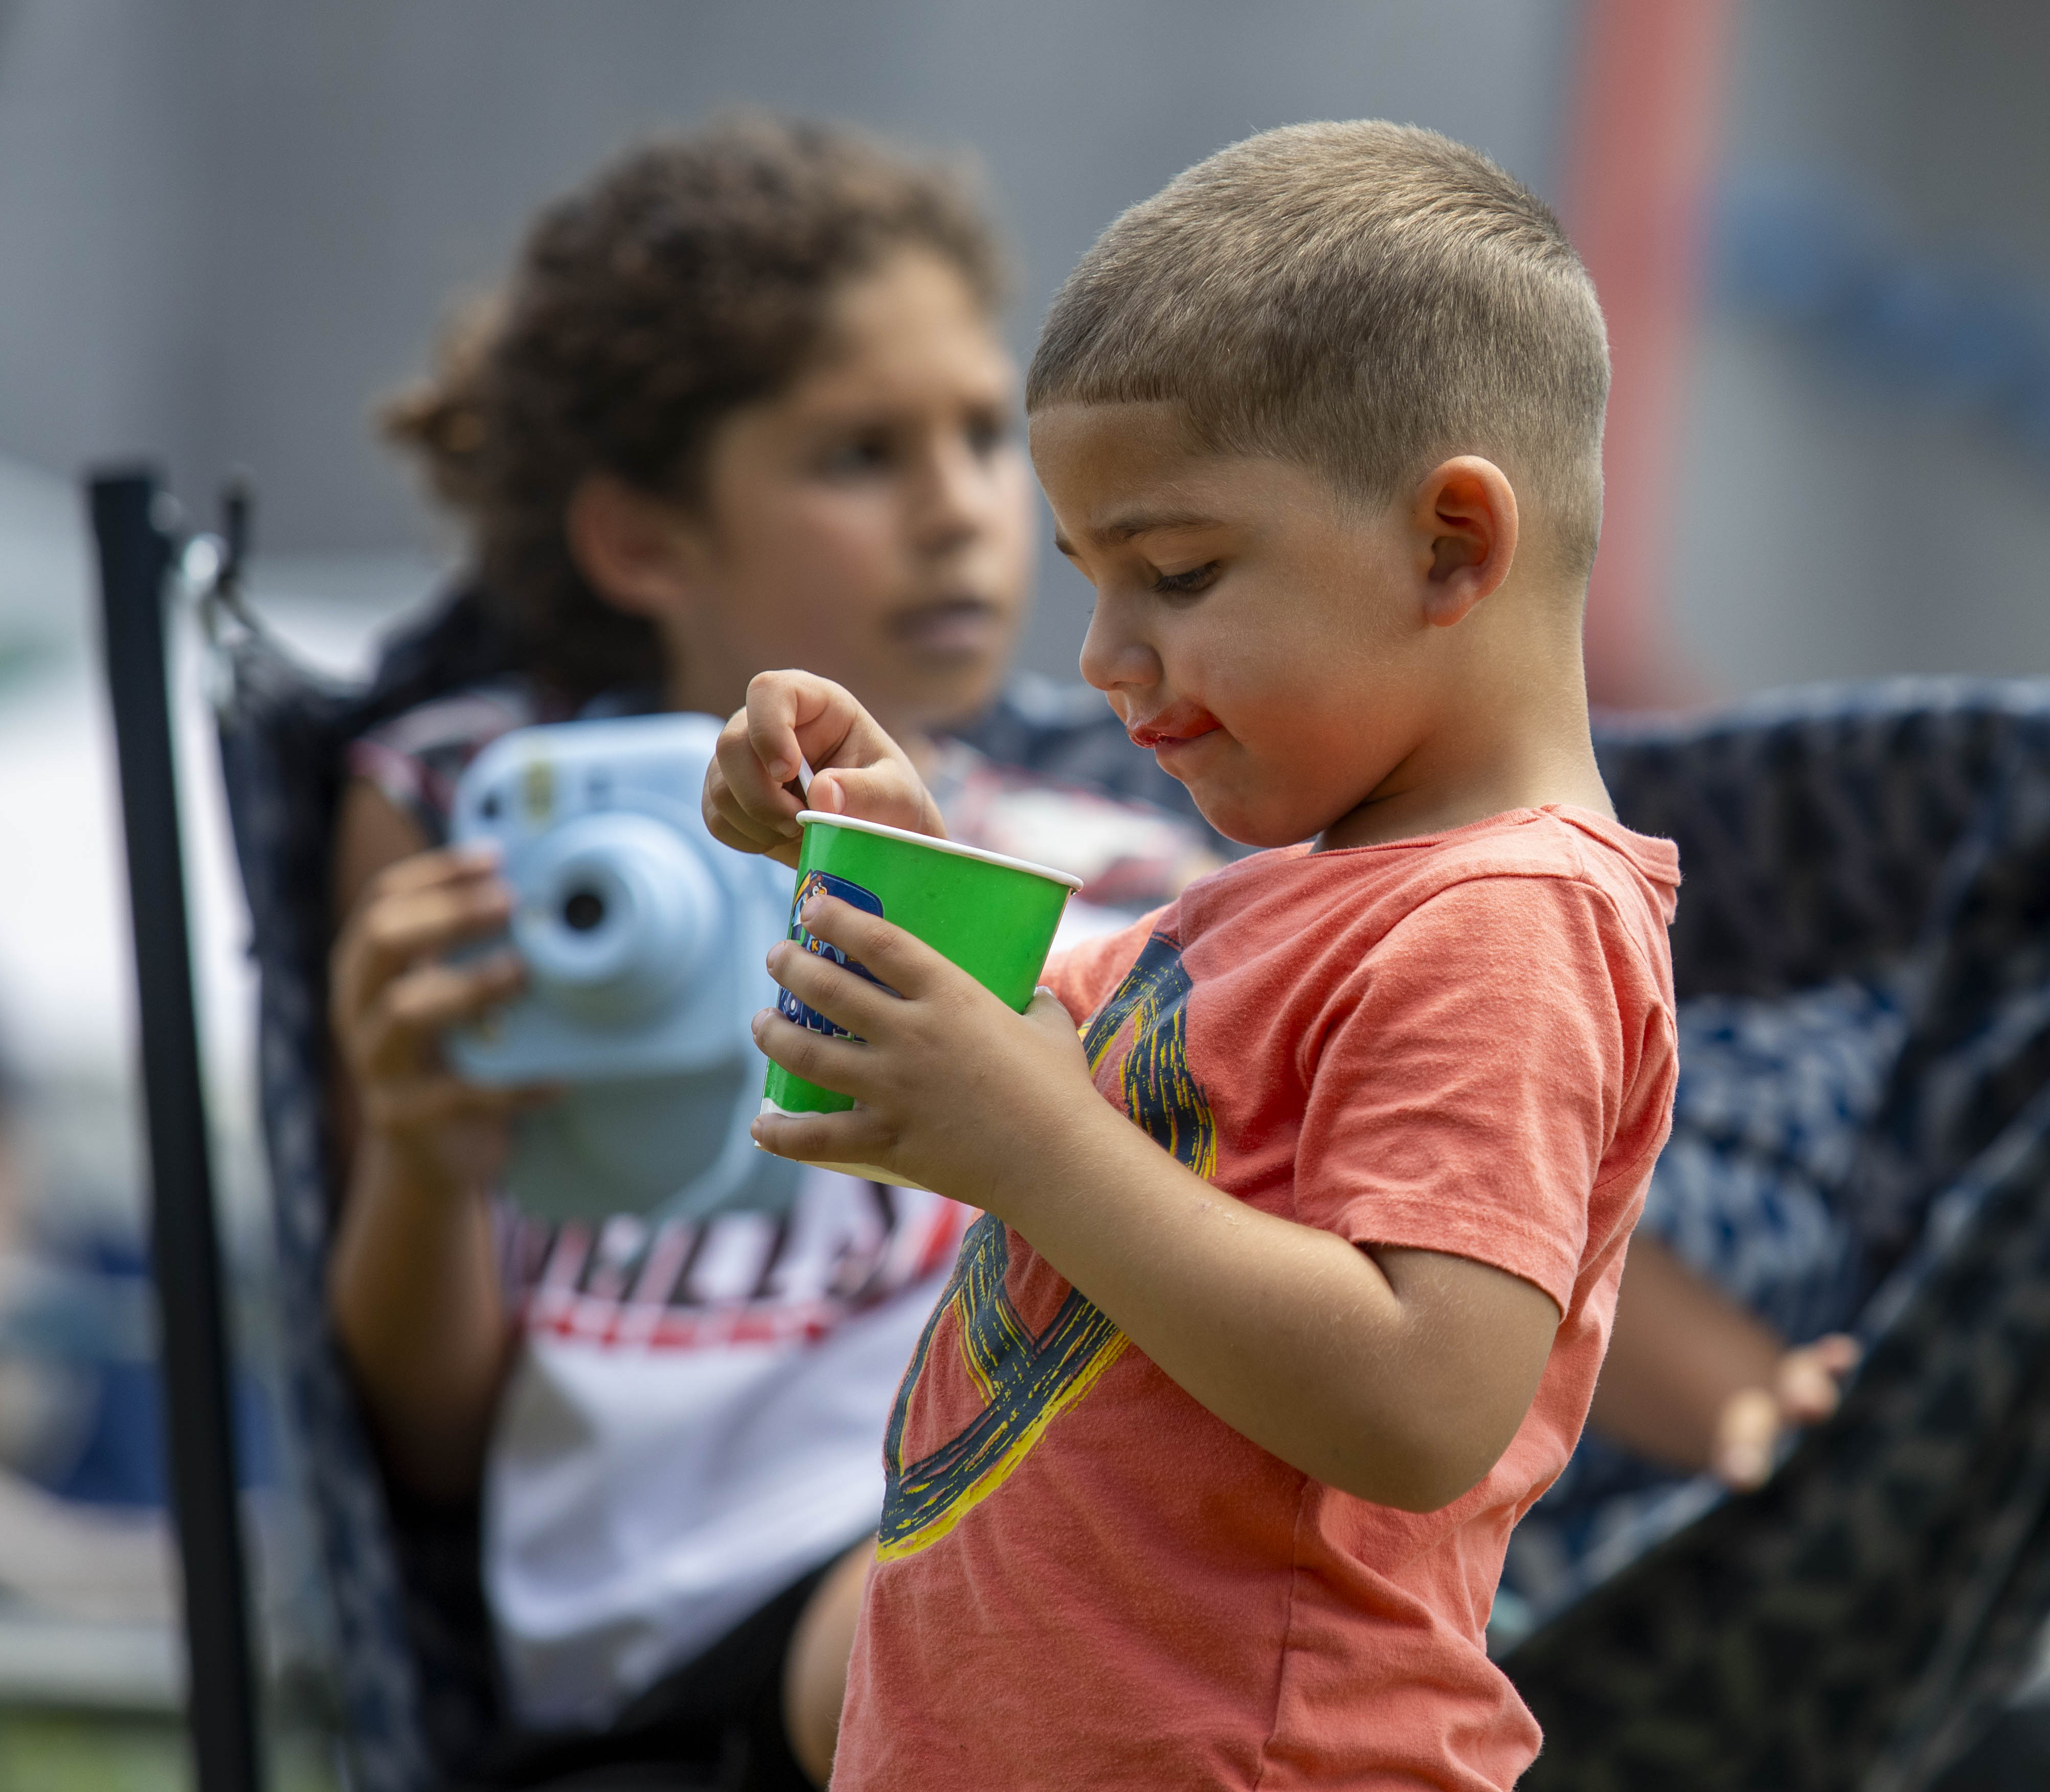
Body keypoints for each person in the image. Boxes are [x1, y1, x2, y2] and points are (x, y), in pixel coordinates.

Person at [697, 119, 1694, 1789]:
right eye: (1090, 582)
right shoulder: (1266, 906)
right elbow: (1067, 1089)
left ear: (1452, 544)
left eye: (1175, 571)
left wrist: (1032, 1142)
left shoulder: (1508, 918)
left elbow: (1419, 1397)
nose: (1100, 657)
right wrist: (887, 848)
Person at [325, 116, 1213, 1788]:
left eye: (975, 434)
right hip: (695, 1615)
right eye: (859, 456)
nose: (960, 511)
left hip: (1075, 1501)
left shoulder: (1141, 815)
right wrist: (430, 1166)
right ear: (641, 541)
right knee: (996, 1613)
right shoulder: (472, 804)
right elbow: (424, 1435)